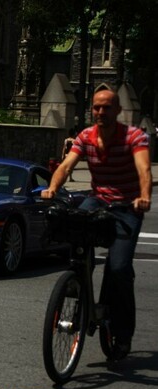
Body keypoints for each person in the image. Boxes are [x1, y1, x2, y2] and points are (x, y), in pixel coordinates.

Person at [41, 89, 152, 361]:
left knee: (119, 268)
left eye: (106, 108)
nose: (101, 112)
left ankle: (122, 334)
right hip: (98, 201)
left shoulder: (134, 137)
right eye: (97, 108)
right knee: (72, 226)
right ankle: (77, 279)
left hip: (127, 207)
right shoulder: (86, 137)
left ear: (117, 111)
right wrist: (53, 188)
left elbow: (144, 170)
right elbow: (66, 166)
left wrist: (144, 196)